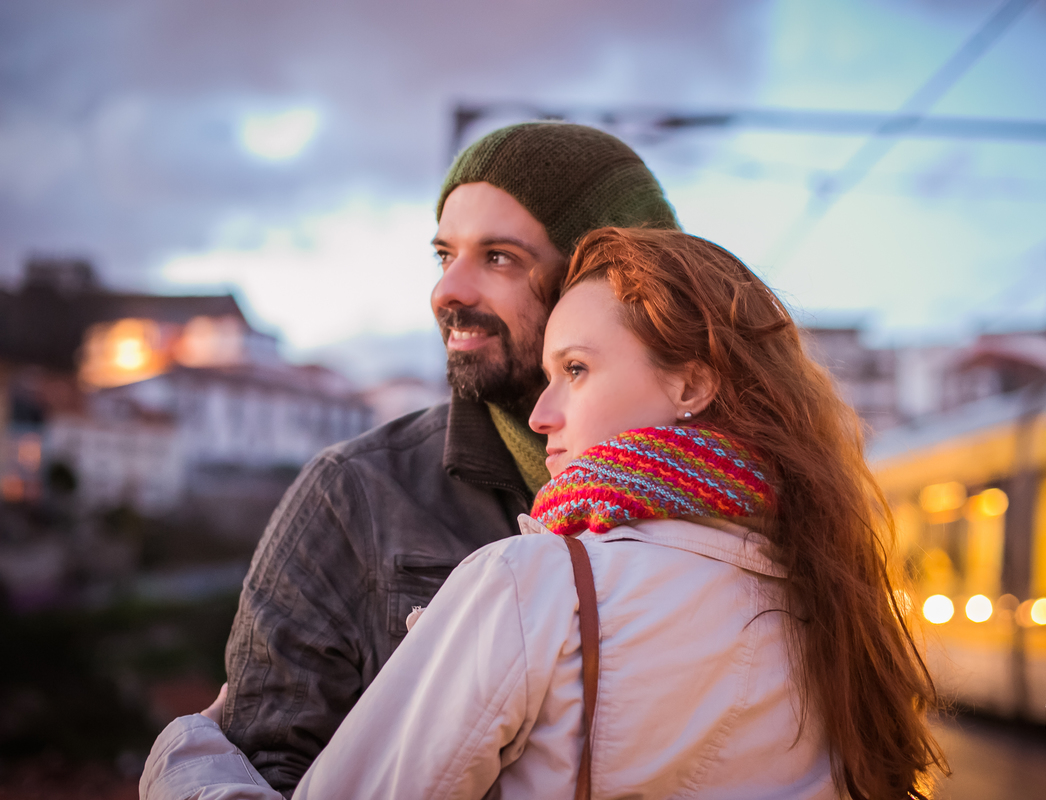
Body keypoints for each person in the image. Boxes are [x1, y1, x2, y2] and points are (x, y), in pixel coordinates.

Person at [142, 227, 946, 800]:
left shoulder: (536, 586)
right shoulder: (829, 600)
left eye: (577, 370)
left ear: (693, 387)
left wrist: (190, 755)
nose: (542, 413)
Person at [219, 121, 679, 793]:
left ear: (605, 289)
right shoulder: (356, 496)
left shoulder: (735, 509)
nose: (447, 292)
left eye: (499, 257)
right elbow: (264, 768)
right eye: (445, 255)